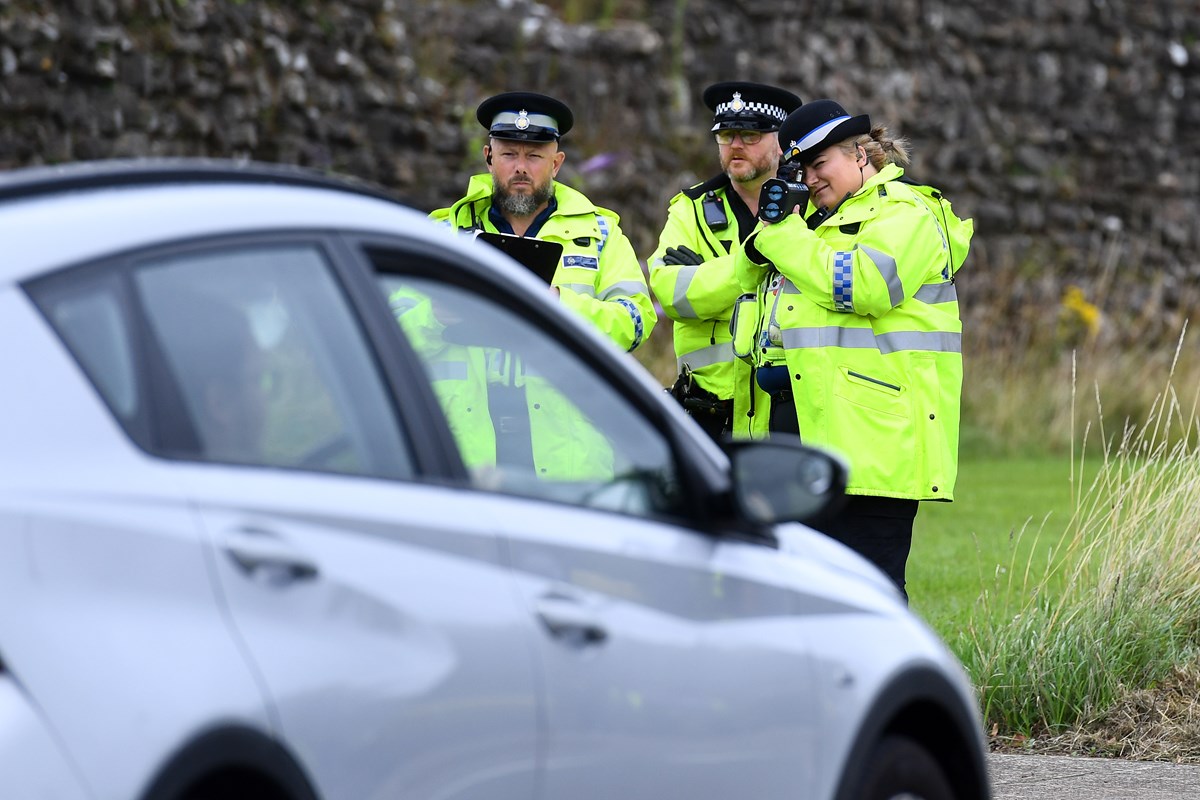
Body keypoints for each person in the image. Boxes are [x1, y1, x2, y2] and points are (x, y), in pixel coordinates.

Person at [734, 99, 974, 600]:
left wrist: (782, 234)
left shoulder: (908, 212)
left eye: (821, 164)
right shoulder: (813, 226)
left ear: (861, 154)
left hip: (875, 445)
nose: (812, 178)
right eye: (802, 167)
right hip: (808, 432)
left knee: (870, 599)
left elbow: (863, 285)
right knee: (803, 597)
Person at [431, 91, 656, 354]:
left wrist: (559, 306)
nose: (521, 168)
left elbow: (637, 321)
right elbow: (391, 313)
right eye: (509, 154)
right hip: (470, 397)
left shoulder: (601, 234)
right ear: (489, 158)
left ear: (556, 164)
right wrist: (436, 312)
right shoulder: (443, 233)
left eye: (535, 156)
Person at [649, 82, 802, 441]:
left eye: (749, 135)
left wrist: (707, 277)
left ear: (779, 141)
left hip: (789, 407)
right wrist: (754, 265)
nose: (735, 145)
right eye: (726, 135)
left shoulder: (809, 204)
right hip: (709, 412)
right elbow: (674, 294)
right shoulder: (691, 209)